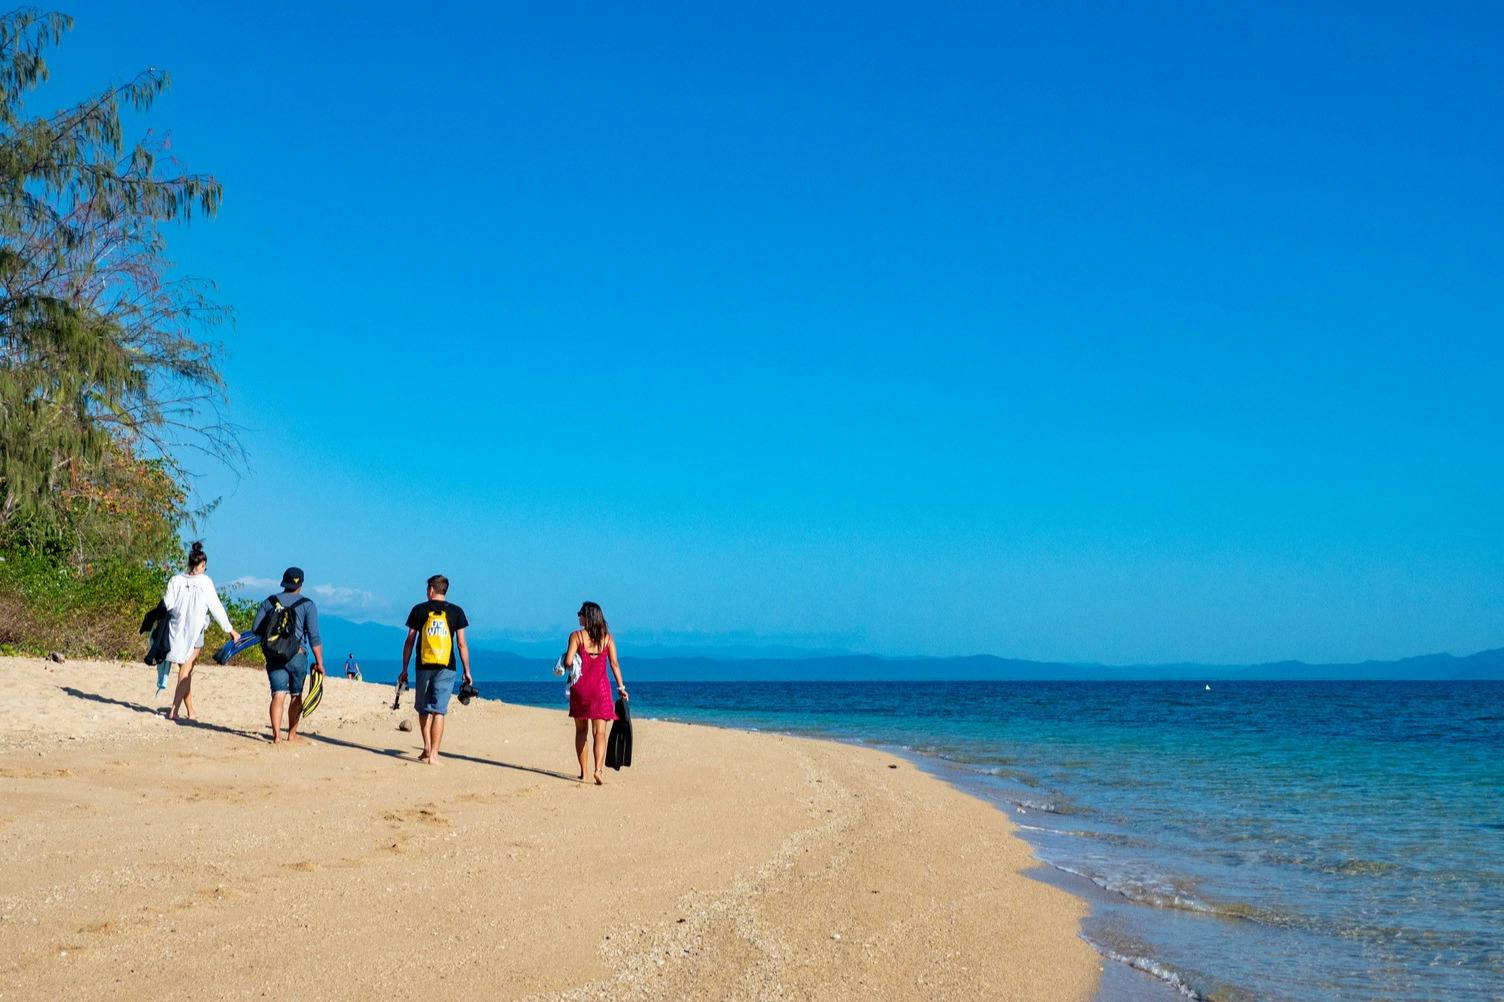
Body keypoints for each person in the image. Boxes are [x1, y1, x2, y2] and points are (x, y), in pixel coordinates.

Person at [162, 541, 240, 721]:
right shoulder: (205, 582)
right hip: (195, 631)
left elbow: (167, 604)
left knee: (185, 669)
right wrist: (230, 630)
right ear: (202, 564)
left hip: (176, 630)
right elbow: (216, 607)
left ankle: (191, 711)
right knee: (187, 669)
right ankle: (174, 709)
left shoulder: (176, 580)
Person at [399, 574, 471, 765]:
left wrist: (404, 668)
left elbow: (409, 641)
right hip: (447, 667)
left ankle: (426, 748)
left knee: (424, 710)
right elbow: (462, 644)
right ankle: (434, 756)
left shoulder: (418, 610)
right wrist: (467, 670)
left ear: (431, 589)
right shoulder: (457, 612)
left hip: (423, 666)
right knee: (439, 710)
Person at [250, 567, 325, 744]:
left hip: (274, 655)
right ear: (301, 584)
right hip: (297, 655)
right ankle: (292, 734)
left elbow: (255, 628)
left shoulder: (270, 601)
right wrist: (319, 662)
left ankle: (276, 736)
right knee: (296, 695)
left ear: (283, 582)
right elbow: (314, 636)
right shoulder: (308, 605)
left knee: (278, 694)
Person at [563, 601, 627, 785]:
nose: (578, 616)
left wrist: (567, 658)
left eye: (580, 613)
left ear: (587, 616)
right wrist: (621, 688)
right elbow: (614, 664)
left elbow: (568, 662)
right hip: (601, 690)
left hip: (581, 689)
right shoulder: (607, 638)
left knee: (581, 731)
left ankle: (584, 773)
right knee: (599, 733)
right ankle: (598, 770)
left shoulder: (576, 636)